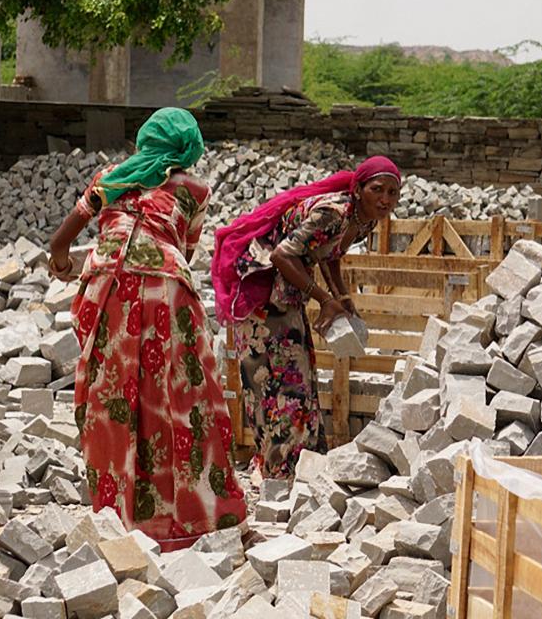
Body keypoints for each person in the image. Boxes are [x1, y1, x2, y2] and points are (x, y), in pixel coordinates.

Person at [48, 107, 244, 551]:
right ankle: (190, 515)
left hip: (107, 289)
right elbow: (182, 251)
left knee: (111, 398)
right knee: (179, 398)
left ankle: (116, 514)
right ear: (188, 149)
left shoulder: (110, 178)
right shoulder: (195, 190)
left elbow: (61, 242)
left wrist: (62, 264)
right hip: (167, 292)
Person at [212, 156, 402, 478]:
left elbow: (330, 254)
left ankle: (303, 467)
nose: (385, 200)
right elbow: (282, 254)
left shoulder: (366, 219)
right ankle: (281, 473)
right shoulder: (333, 212)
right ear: (358, 190)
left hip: (287, 298)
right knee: (276, 385)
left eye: (393, 193)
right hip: (262, 298)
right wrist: (325, 299)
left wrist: (341, 297)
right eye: (377, 190)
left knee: (301, 379)